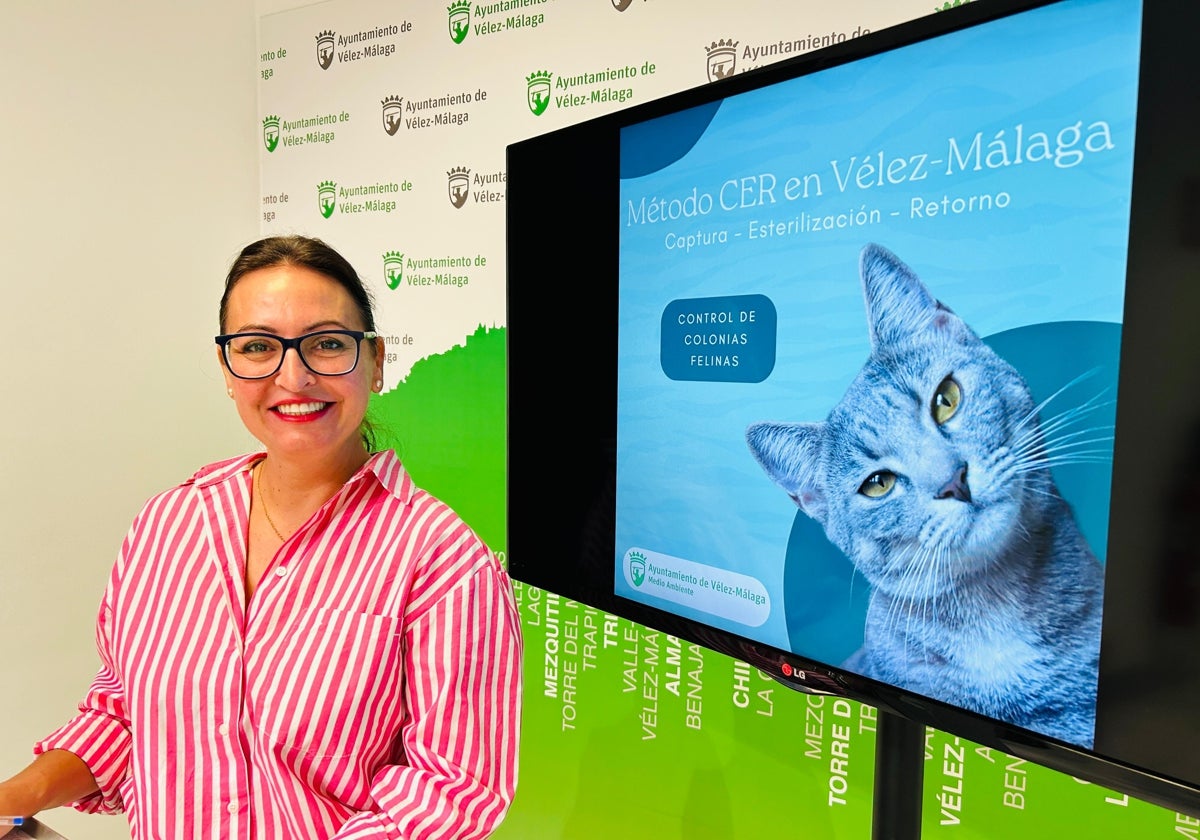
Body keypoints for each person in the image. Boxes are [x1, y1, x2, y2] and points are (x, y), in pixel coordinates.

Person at [0, 235, 523, 839]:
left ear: (376, 361)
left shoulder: (445, 565)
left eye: (328, 344)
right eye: (257, 347)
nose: (293, 377)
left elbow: (451, 795)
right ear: (227, 368)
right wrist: (15, 796)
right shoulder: (169, 525)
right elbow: (123, 715)